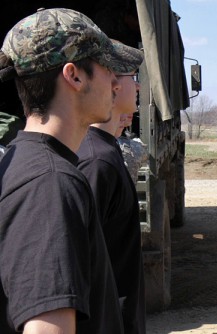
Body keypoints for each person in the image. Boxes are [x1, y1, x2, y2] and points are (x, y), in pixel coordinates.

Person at [0, 8, 141, 333]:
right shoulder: (50, 184)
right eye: (107, 67)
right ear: (74, 76)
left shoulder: (27, 161)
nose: (114, 82)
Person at [77, 42, 145, 334]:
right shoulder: (96, 161)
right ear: (113, 86)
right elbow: (84, 263)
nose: (138, 87)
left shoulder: (106, 151)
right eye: (133, 77)